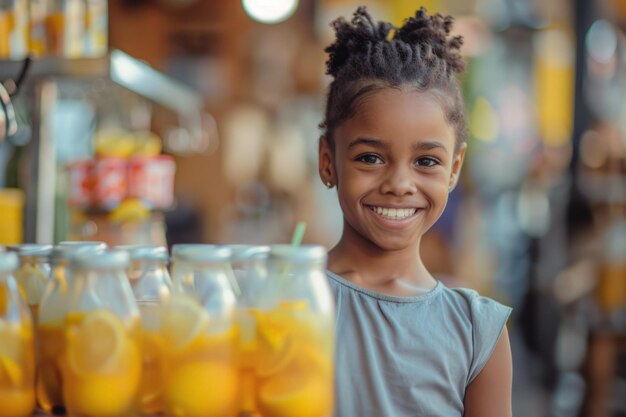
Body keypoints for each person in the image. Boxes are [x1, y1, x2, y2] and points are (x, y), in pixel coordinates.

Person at [318, 6, 513, 417]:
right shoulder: (288, 301)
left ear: (454, 169)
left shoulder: (479, 332)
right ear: (328, 161)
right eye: (370, 158)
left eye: (426, 162)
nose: (399, 184)